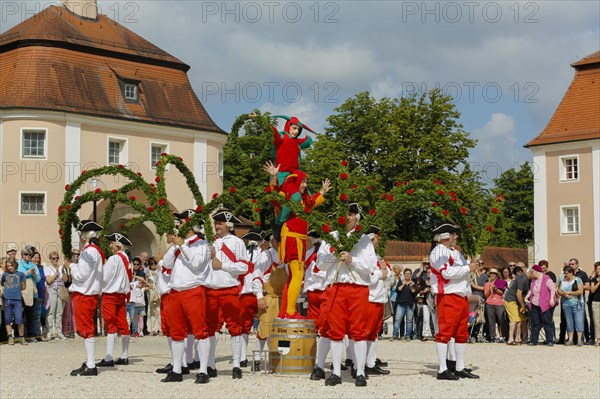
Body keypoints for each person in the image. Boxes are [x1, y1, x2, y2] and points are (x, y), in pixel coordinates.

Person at [315, 203, 377, 387]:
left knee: (358, 331)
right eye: (346, 214)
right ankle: (335, 372)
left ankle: (360, 372)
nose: (348, 217)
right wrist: (335, 256)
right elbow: (320, 263)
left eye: (351, 214)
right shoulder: (331, 238)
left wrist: (352, 260)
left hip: (357, 287)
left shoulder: (364, 240)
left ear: (357, 218)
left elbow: (370, 267)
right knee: (335, 331)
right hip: (335, 287)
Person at [265, 161, 330, 319]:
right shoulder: (287, 196)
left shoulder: (302, 200)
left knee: (293, 276)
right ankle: (290, 312)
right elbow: (273, 198)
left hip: (300, 239)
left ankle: (285, 312)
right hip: (292, 236)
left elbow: (312, 203)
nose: (305, 184)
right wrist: (273, 177)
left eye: (306, 182)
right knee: (298, 274)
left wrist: (322, 191)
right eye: (303, 181)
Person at [161, 209, 212, 383]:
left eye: (182, 222)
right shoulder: (179, 244)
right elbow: (166, 264)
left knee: (200, 331)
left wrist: (182, 245)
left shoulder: (202, 244)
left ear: (190, 225)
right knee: (176, 332)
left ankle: (203, 370)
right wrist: (175, 245)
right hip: (175, 292)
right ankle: (176, 370)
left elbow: (197, 264)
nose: (179, 225)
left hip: (193, 290)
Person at [429, 223, 479, 380]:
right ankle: (442, 369)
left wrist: (471, 269)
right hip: (447, 295)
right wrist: (468, 268)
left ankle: (459, 366)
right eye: (453, 234)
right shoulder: (438, 252)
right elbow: (447, 273)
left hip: (460, 295)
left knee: (461, 333)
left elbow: (465, 273)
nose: (456, 237)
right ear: (444, 237)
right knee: (445, 332)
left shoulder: (455, 253)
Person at [205, 209, 248, 380]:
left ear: (228, 225)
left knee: (234, 328)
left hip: (229, 289)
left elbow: (244, 267)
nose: (217, 226)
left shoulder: (237, 243)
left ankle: (236, 365)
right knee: (210, 328)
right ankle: (210, 364)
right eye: (216, 223)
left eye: (220, 224)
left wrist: (222, 265)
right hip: (211, 289)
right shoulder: (210, 243)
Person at [67, 220, 105, 376]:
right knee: (87, 327)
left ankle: (91, 365)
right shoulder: (96, 251)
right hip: (90, 293)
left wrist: (71, 265)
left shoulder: (89, 251)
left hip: (84, 293)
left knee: (86, 328)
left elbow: (82, 275)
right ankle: (90, 363)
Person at [96, 233, 133, 368]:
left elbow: (104, 277)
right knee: (123, 324)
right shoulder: (127, 259)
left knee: (110, 324)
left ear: (117, 245)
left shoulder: (113, 259)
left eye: (112, 243)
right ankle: (124, 356)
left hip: (110, 295)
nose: (110, 245)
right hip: (121, 295)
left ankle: (109, 357)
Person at [251, 235, 286, 372]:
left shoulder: (288, 256)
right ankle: (257, 359)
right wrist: (259, 296)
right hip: (269, 297)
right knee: (264, 329)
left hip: (283, 298)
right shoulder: (266, 255)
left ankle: (279, 359)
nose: (275, 242)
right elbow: (257, 275)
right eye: (274, 240)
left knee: (282, 330)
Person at [364, 225, 392, 376]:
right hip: (369, 297)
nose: (378, 240)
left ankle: (371, 362)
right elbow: (367, 276)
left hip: (378, 297)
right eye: (376, 238)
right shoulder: (365, 255)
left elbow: (389, 274)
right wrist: (382, 273)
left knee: (374, 333)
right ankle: (361, 364)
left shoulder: (377, 256)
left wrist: (384, 273)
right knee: (365, 332)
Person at [239, 228, 264, 368]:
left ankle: (246, 357)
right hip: (253, 292)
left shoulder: (244, 253)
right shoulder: (264, 254)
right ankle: (253, 357)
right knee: (259, 325)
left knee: (246, 327)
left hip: (249, 292)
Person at [527, 264, 557, 346]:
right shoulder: (534, 280)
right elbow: (531, 290)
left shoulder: (547, 279)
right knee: (535, 323)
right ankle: (534, 340)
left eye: (532, 272)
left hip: (545, 304)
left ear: (536, 272)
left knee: (547, 323)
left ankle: (550, 340)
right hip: (534, 304)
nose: (531, 274)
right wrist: (527, 297)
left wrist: (551, 299)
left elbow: (552, 289)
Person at [557, 265, 585, 346]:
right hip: (566, 304)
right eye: (564, 273)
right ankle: (570, 339)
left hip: (577, 304)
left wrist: (570, 293)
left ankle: (579, 340)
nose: (565, 275)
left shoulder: (578, 280)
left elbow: (580, 291)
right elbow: (559, 291)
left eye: (566, 273)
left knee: (578, 321)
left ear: (571, 273)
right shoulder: (563, 280)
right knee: (569, 322)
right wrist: (564, 294)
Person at [1, 258, 27, 345]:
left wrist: (15, 288)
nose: (9, 267)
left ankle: (21, 337)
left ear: (15, 265)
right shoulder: (5, 275)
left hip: (17, 300)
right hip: (7, 299)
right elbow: (1, 284)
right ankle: (10, 337)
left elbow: (24, 286)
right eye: (7, 266)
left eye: (11, 265)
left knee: (19, 319)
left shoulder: (21, 274)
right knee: (7, 319)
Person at [44, 251, 68, 340]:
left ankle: (59, 332)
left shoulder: (61, 267)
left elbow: (65, 280)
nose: (56, 260)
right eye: (54, 258)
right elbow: (49, 281)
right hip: (52, 290)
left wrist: (63, 271)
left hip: (61, 289)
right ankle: (49, 331)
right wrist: (56, 272)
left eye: (57, 258)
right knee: (51, 311)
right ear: (50, 259)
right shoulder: (47, 268)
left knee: (59, 312)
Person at [504, 266, 527, 345]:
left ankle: (518, 338)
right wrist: (523, 305)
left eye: (520, 273)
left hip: (519, 302)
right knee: (514, 320)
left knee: (520, 320)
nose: (519, 275)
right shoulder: (516, 281)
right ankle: (510, 339)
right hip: (511, 300)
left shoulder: (524, 279)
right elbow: (518, 293)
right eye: (517, 274)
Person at [393, 268, 417, 341]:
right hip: (401, 304)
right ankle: (395, 334)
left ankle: (408, 335)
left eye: (409, 273)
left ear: (411, 275)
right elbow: (397, 290)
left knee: (409, 321)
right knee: (397, 320)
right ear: (404, 274)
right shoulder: (400, 282)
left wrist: (411, 286)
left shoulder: (413, 283)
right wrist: (403, 284)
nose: (407, 275)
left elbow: (414, 292)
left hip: (410, 304)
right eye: (406, 273)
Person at [483, 268, 506, 343]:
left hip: (499, 303)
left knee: (501, 320)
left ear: (496, 275)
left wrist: (495, 289)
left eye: (494, 274)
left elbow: (502, 293)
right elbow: (486, 295)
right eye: (491, 273)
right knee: (491, 321)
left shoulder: (500, 282)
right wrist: (490, 289)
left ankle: (502, 336)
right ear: (489, 274)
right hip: (489, 303)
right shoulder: (487, 284)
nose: (492, 275)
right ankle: (492, 336)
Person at [589, 261, 600, 346]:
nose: (598, 270)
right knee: (596, 322)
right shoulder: (593, 280)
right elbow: (592, 290)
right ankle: (598, 339)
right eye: (597, 269)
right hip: (596, 303)